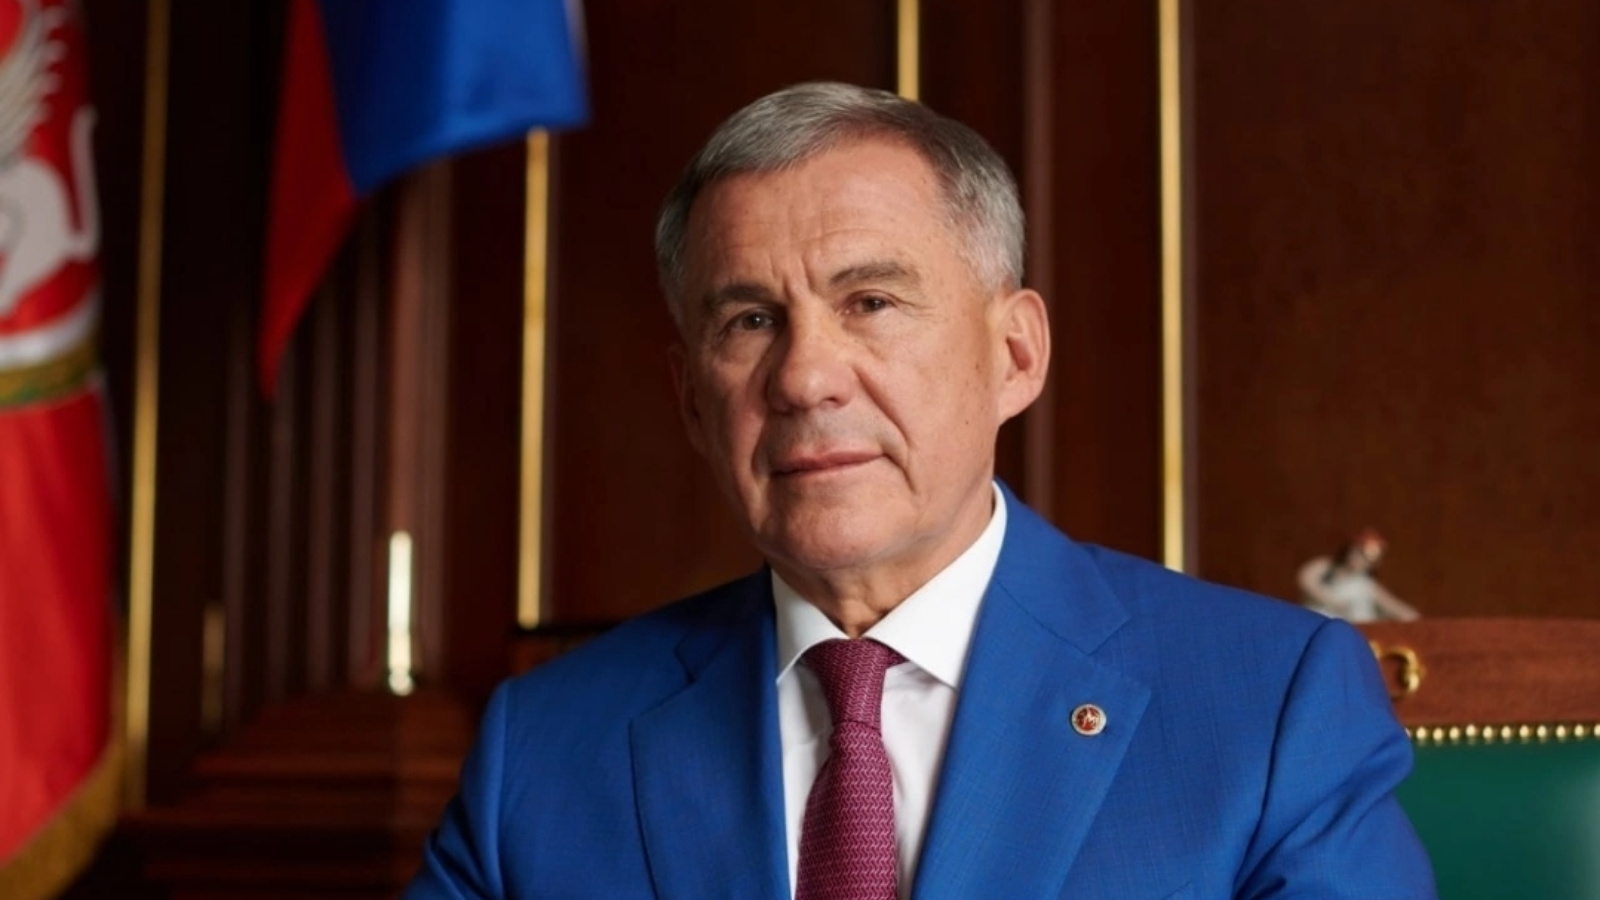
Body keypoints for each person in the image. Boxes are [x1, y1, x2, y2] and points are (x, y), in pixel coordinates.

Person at [405, 82, 1435, 899]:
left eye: (871, 302)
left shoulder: (1269, 706)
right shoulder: (541, 752)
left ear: (1014, 355)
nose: (806, 378)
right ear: (691, 403)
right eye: (750, 321)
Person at [1299, 529, 1422, 623]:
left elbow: (1401, 610)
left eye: (1369, 559)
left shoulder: (1367, 585)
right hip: (1321, 623)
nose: (1361, 560)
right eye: (1359, 552)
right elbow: (1306, 580)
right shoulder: (1324, 566)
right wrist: (1334, 601)